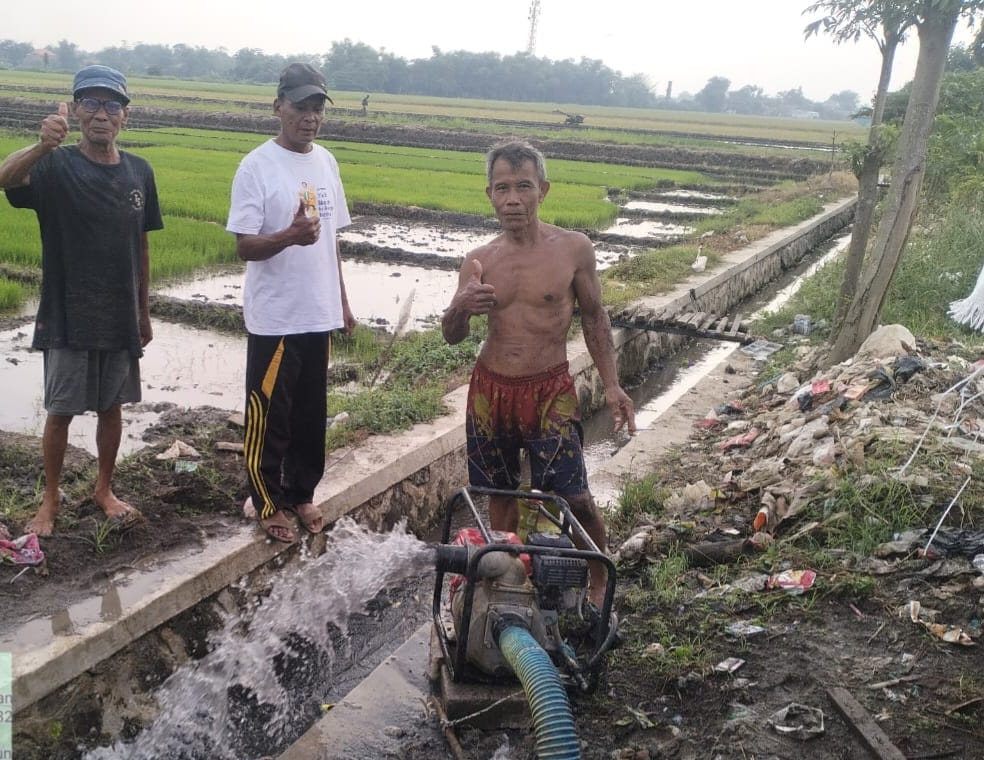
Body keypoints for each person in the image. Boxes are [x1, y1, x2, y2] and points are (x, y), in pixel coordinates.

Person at [441, 140, 636, 606]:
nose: (513, 199)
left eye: (523, 186)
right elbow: (452, 335)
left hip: (549, 389)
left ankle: (598, 578)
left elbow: (594, 317)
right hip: (491, 391)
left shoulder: (572, 250)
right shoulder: (479, 260)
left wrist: (611, 385)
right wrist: (460, 306)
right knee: (498, 493)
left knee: (574, 496)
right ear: (489, 193)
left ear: (542, 190)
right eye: (503, 188)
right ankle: (509, 578)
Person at [0, 64, 162, 537]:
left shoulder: (140, 172)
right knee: (61, 411)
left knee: (113, 407)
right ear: (74, 111)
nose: (101, 114)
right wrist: (41, 145)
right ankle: (50, 500)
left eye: (112, 104)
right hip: (67, 312)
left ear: (125, 117)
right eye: (90, 103)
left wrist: (143, 311)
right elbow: (4, 178)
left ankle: (103, 489)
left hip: (119, 314)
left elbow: (144, 244)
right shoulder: (54, 165)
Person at [226, 62, 354, 544]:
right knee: (269, 414)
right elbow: (244, 246)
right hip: (276, 316)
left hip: (316, 313)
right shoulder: (256, 166)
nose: (310, 116)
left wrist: (340, 301)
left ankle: (301, 492)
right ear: (278, 106)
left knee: (308, 414)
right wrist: (288, 236)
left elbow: (331, 244)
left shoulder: (326, 161)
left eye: (318, 107)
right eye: (301, 106)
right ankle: (265, 500)